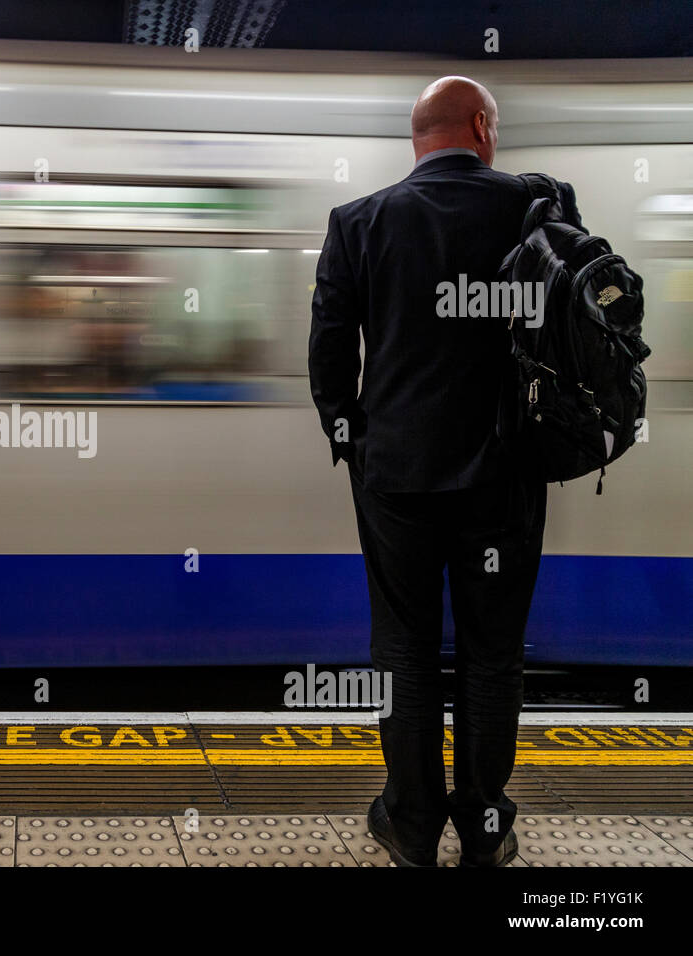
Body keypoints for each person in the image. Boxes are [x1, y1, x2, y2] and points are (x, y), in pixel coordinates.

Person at [308, 76, 568, 867]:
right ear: (482, 127)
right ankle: (484, 828)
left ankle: (412, 826)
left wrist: (356, 441)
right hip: (506, 474)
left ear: (417, 138)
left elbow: (327, 357)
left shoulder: (359, 222)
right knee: (493, 655)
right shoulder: (537, 209)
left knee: (404, 651)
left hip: (397, 478)